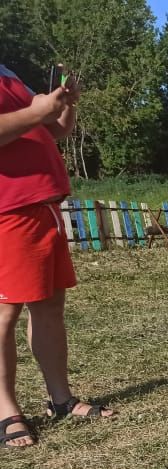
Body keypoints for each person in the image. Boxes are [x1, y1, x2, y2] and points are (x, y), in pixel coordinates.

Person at [0, 62, 115, 448]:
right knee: (4, 313)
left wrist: (66, 103)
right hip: (7, 210)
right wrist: (36, 111)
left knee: (48, 306)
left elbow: (55, 130)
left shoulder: (8, 74)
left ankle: (61, 400)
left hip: (41, 204)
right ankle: (5, 413)